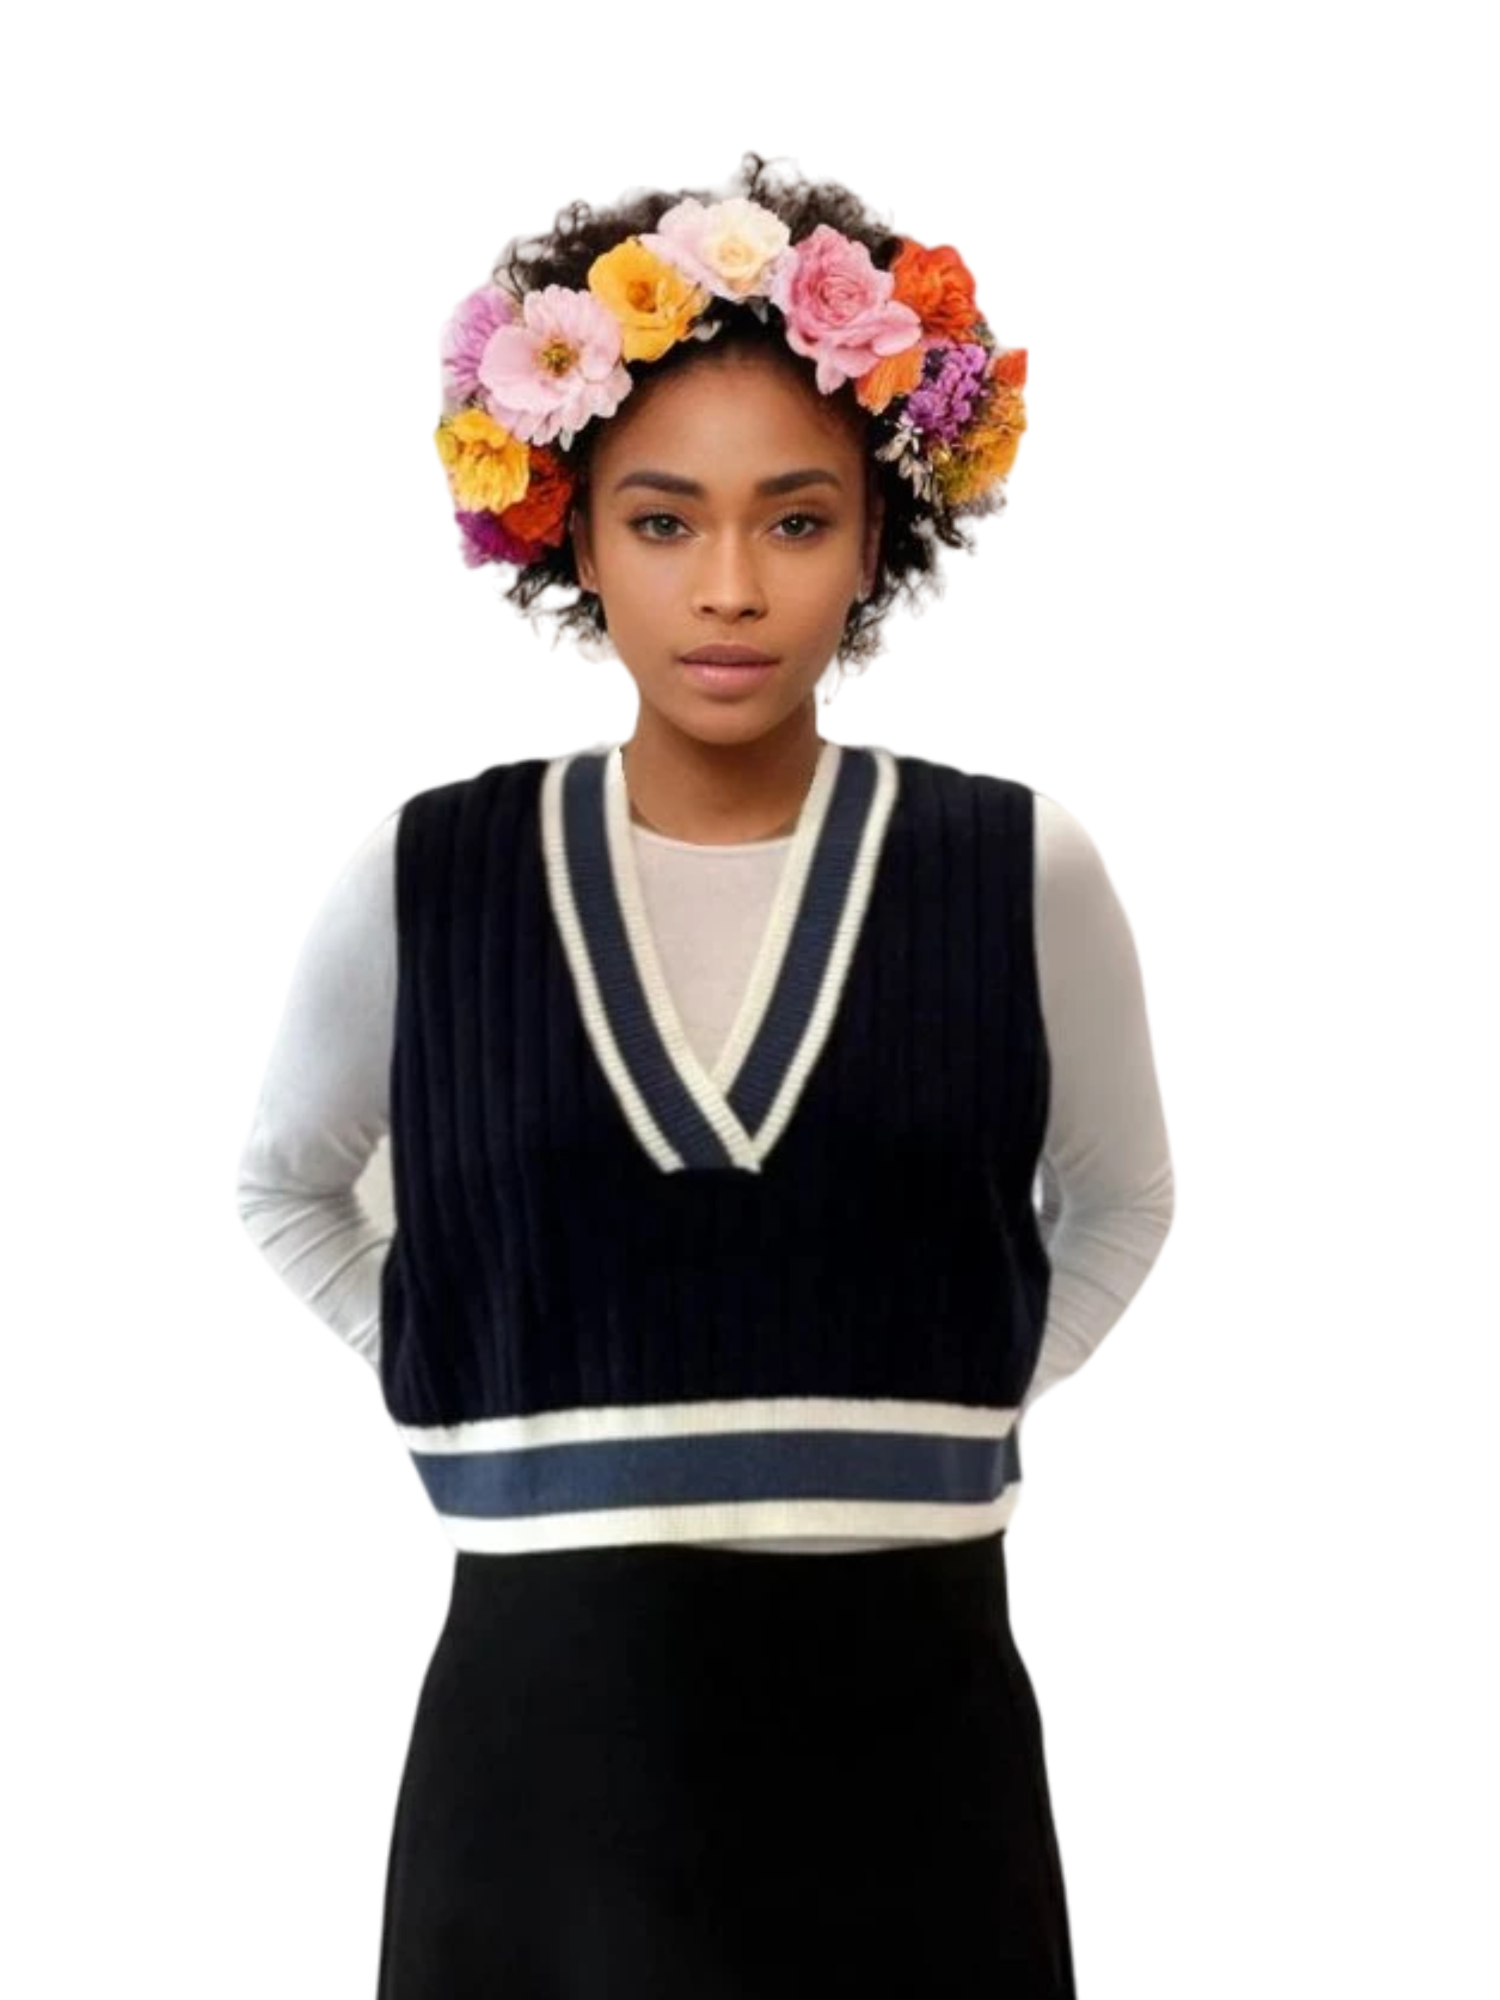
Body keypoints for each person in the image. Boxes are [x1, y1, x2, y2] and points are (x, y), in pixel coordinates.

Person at [235, 151, 1175, 1999]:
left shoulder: (1013, 867)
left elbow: (1124, 1201)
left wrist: (962, 1379)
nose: (730, 588)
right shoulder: (433, 875)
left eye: (795, 520)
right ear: (574, 537)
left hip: (920, 1752)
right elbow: (283, 1181)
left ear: (879, 537)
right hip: (538, 1765)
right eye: (664, 522)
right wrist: (458, 1362)